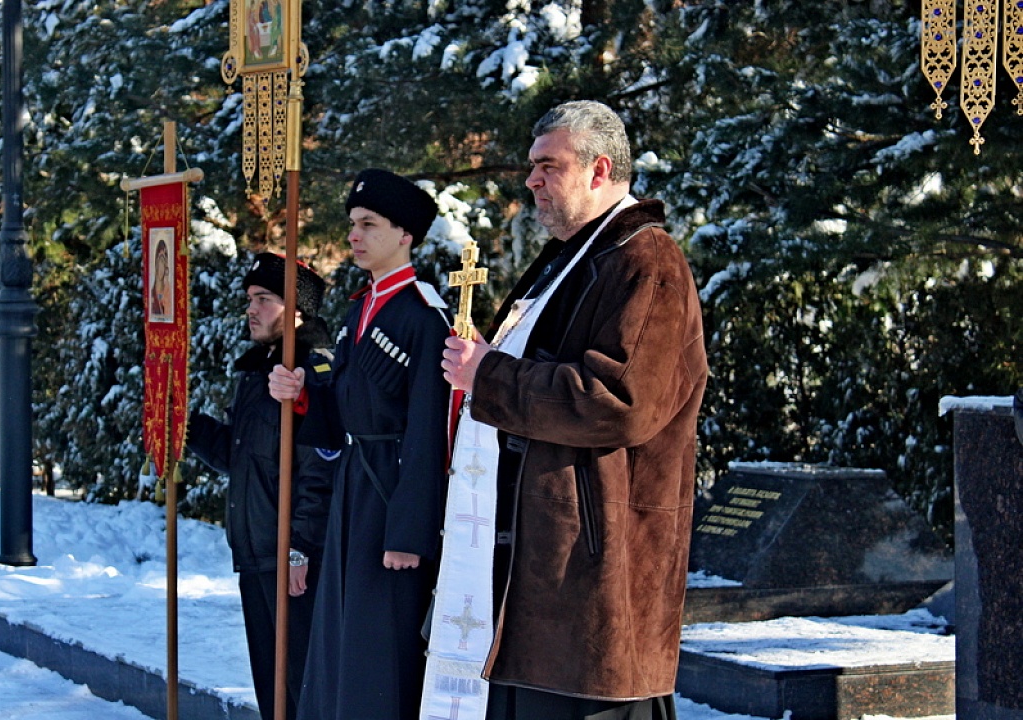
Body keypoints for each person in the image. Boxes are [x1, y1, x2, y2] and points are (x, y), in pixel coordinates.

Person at [440, 100, 708, 719]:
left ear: (599, 169)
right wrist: (487, 365)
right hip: (542, 577)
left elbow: (620, 402)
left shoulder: (646, 259)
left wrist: (491, 375)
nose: (531, 180)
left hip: (596, 576)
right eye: (532, 166)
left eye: (548, 166)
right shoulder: (574, 258)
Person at [269, 168, 453, 720]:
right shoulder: (359, 309)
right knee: (340, 646)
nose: (354, 234)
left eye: (369, 224)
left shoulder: (424, 317)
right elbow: (342, 412)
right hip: (353, 488)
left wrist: (409, 533)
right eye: (352, 223)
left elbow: (430, 431)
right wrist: (303, 394)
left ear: (405, 235)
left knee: (378, 651)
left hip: (391, 494)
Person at [186, 252, 336, 720]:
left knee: (302, 686)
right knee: (272, 689)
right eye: (250, 299)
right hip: (256, 552)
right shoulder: (258, 372)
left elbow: (321, 471)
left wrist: (301, 548)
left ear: (297, 309)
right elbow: (241, 458)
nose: (252, 309)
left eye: (265, 299)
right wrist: (187, 426)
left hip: (292, 561)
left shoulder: (310, 371)